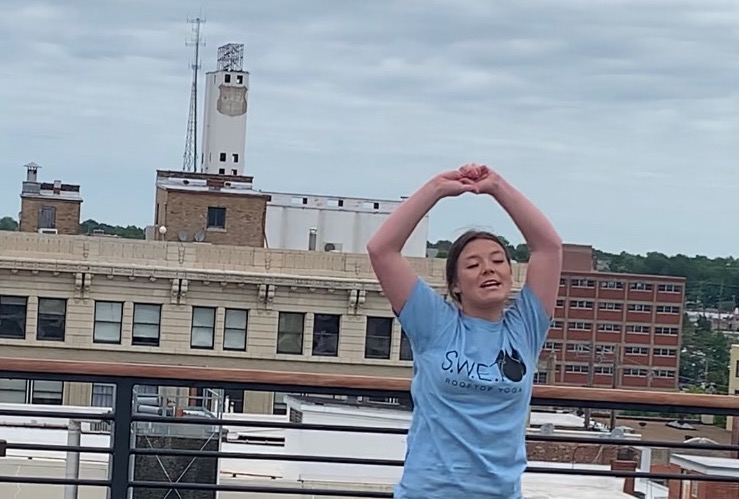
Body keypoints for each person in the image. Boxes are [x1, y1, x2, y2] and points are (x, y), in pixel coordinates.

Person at [366, 164, 563, 499]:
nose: (488, 269)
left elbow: (549, 248)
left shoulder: (525, 328)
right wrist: (437, 189)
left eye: (498, 261)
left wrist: (497, 186)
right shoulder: (435, 324)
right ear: (455, 285)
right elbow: (381, 250)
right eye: (473, 265)